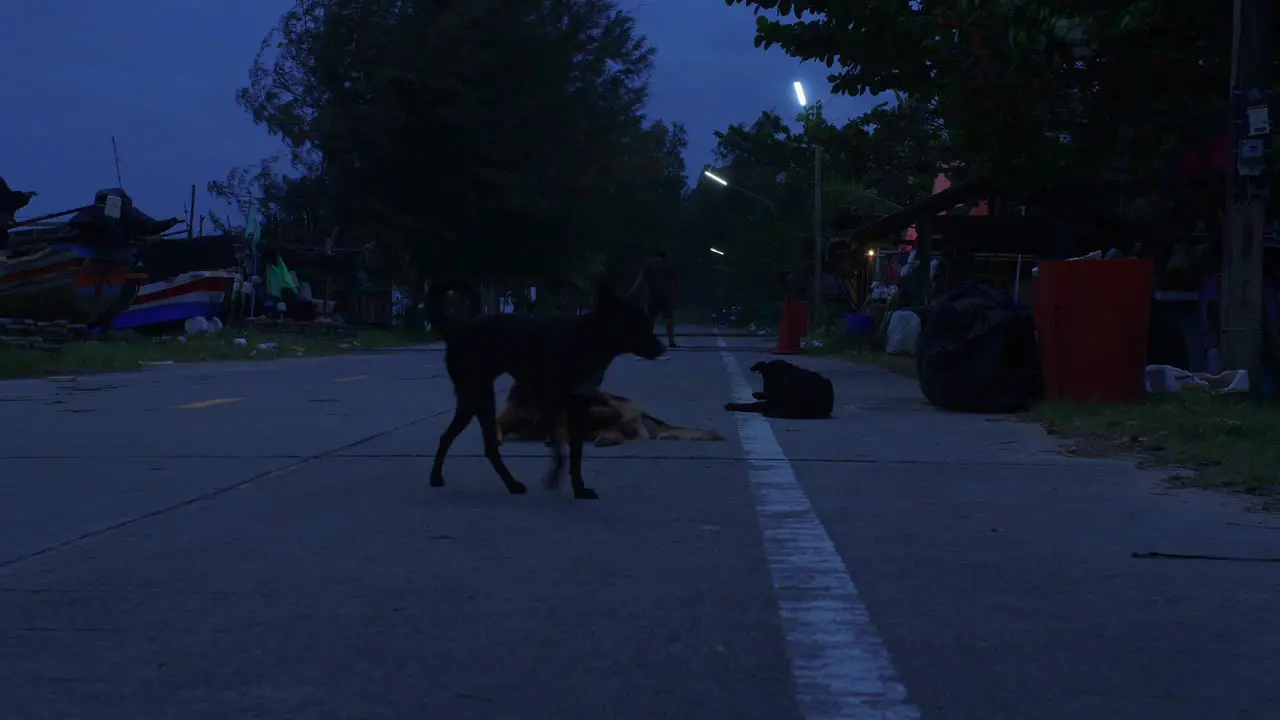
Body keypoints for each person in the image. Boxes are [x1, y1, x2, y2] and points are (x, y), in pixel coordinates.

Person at [627, 248, 678, 348]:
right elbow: (675, 282)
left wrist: (631, 292)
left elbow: (640, 279)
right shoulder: (667, 264)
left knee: (650, 318)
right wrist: (674, 295)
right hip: (666, 294)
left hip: (654, 294)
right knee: (668, 317)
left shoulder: (649, 264)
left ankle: (648, 340)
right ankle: (671, 341)